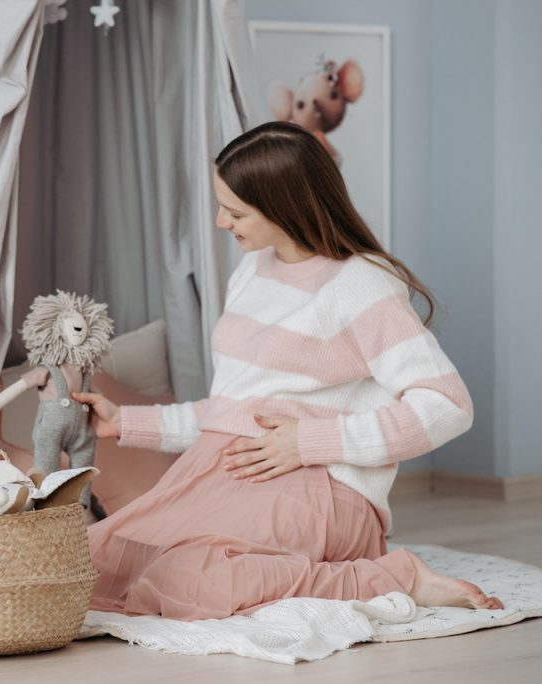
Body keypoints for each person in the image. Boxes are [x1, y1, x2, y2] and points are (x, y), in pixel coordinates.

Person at [73, 121, 503, 621]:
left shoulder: (360, 284)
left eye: (235, 211)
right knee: (88, 563)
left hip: (316, 487)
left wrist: (309, 442)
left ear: (284, 207)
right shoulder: (252, 270)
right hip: (221, 476)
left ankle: (394, 576)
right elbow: (234, 410)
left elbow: (447, 406)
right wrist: (124, 422)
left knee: (189, 579)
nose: (219, 221)